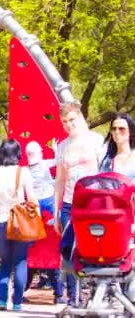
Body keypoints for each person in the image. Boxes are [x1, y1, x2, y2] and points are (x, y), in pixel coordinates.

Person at [53, 102, 105, 307]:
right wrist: (56, 212)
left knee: (93, 249)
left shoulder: (97, 141)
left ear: (81, 118)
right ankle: (73, 296)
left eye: (72, 120)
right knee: (69, 249)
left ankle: (95, 293)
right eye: (64, 122)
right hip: (69, 204)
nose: (68, 125)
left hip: (93, 203)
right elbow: (59, 180)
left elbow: (106, 172)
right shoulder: (63, 146)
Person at [0, 139, 39, 312]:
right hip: (20, 223)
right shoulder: (23, 172)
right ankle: (17, 303)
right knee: (20, 262)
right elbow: (31, 198)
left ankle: (2, 301)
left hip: (1, 222)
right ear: (17, 154)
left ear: (2, 154)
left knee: (5, 263)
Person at [24, 141, 65, 304]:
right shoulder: (43, 164)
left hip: (34, 206)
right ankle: (59, 294)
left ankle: (19, 291)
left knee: (31, 256)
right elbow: (57, 161)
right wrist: (55, 149)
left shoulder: (25, 171)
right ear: (39, 153)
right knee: (51, 255)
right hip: (47, 202)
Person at [99, 113, 135, 180]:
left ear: (131, 131)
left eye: (121, 128)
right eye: (114, 129)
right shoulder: (106, 161)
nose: (117, 132)